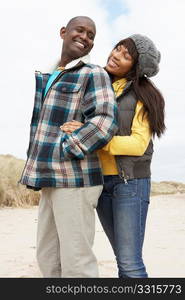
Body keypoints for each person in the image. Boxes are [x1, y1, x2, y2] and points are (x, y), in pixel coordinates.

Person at [19, 16, 118, 278]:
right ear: (64, 32)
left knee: (77, 264)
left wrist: (70, 145)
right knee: (48, 258)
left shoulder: (92, 73)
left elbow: (106, 120)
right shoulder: (48, 75)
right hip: (49, 177)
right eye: (80, 30)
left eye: (91, 35)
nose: (85, 37)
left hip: (76, 179)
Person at [61, 34, 166, 278]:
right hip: (99, 183)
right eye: (117, 49)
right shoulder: (99, 86)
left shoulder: (144, 96)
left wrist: (93, 137)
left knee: (130, 263)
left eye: (126, 55)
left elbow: (138, 144)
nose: (116, 55)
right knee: (122, 258)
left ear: (136, 66)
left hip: (130, 184)